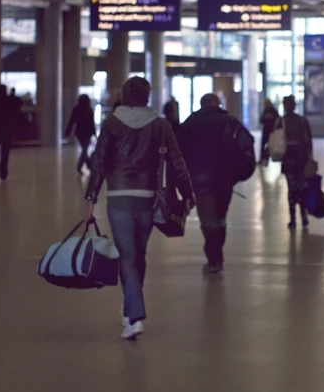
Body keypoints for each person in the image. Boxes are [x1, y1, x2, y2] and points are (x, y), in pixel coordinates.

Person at [84, 77, 194, 340]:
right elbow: (176, 160)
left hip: (119, 197)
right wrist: (188, 194)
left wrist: (90, 198)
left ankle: (132, 315)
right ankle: (131, 309)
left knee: (129, 256)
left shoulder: (111, 123)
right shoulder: (160, 125)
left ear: (124, 95)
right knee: (137, 255)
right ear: (148, 95)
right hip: (148, 198)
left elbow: (98, 162)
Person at [177, 93, 239, 273]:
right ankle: (215, 252)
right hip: (225, 179)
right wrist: (236, 174)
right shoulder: (229, 121)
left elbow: (178, 152)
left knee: (208, 219)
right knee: (220, 217)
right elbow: (244, 148)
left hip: (200, 178)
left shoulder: (190, 123)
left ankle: (214, 256)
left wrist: (182, 180)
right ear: (214, 103)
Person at [279, 95, 313, 228]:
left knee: (291, 188)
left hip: (288, 159)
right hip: (301, 158)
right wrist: (310, 157)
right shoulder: (302, 121)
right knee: (301, 186)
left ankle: (292, 218)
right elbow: (309, 140)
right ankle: (303, 216)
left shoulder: (281, 121)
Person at [65, 94, 97, 175]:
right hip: (87, 133)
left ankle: (88, 166)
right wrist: (94, 134)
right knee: (84, 150)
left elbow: (71, 121)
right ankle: (81, 167)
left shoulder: (77, 109)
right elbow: (91, 123)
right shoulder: (89, 109)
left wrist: (67, 131)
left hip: (79, 133)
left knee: (84, 150)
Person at [259, 98, 278, 164]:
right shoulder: (266, 110)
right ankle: (263, 158)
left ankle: (265, 158)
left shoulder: (272, 110)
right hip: (267, 130)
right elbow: (261, 120)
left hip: (270, 130)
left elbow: (276, 119)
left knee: (270, 145)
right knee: (264, 145)